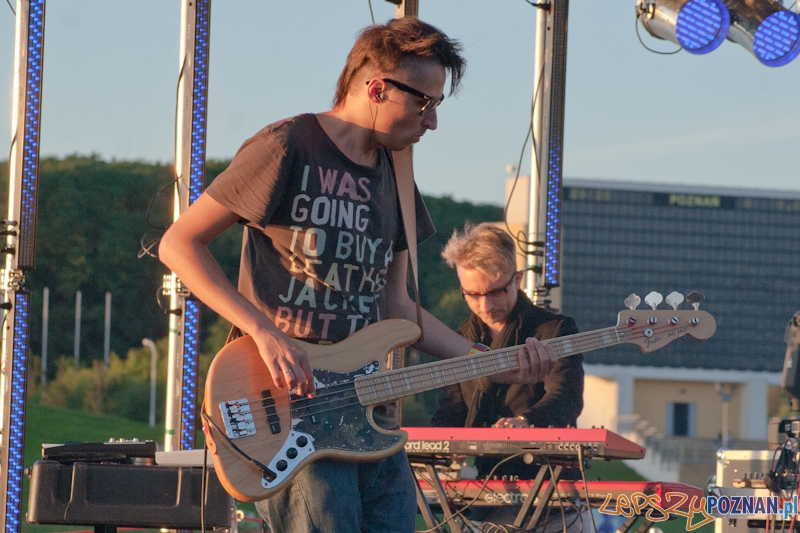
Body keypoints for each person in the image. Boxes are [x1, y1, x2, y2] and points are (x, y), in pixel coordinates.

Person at [159, 18, 559, 533]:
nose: (432, 122)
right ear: (377, 88)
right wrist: (264, 332)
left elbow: (397, 308)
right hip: (286, 403)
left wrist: (492, 363)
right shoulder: (288, 145)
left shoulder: (398, 173)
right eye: (424, 103)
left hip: (367, 411)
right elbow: (178, 243)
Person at [431, 222, 585, 528]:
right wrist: (435, 447)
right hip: (482, 495)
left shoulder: (554, 330)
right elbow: (450, 411)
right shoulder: (461, 338)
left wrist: (525, 423)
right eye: (472, 295)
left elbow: (566, 397)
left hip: (551, 499)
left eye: (494, 292)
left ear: (518, 279)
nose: (485, 306)